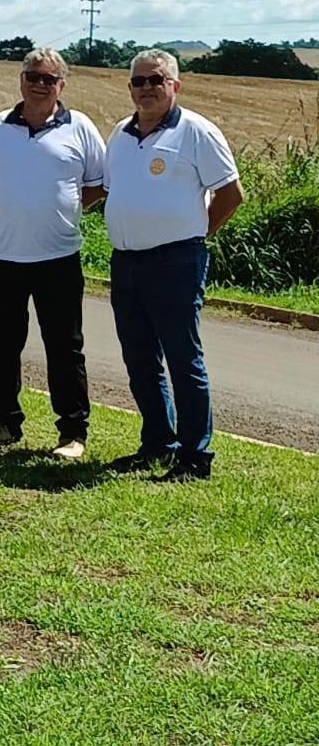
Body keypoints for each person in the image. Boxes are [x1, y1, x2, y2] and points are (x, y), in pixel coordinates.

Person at [102, 49, 243, 480]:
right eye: (138, 81)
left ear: (175, 86)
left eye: (156, 80)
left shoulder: (196, 131)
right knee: (139, 359)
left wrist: (195, 237)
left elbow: (231, 194)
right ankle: (157, 444)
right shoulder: (120, 135)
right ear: (130, 88)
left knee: (183, 360)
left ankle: (195, 455)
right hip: (126, 262)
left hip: (175, 261)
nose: (146, 88)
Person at [0, 47, 107, 460]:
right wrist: (16, 205)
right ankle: (5, 424)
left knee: (65, 348)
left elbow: (97, 185)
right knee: (2, 345)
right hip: (5, 257)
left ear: (62, 84)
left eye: (49, 78)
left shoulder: (79, 128)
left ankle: (72, 432)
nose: (40, 84)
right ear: (21, 80)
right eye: (33, 76)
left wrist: (61, 207)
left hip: (59, 258)